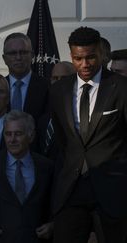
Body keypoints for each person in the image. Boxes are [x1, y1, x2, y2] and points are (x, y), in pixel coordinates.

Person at [50, 27, 127, 243]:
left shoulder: (121, 87)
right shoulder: (58, 91)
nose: (85, 64)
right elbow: (63, 140)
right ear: (71, 56)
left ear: (101, 53)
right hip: (71, 190)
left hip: (113, 190)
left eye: (91, 57)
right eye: (78, 58)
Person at [0, 110, 54, 243]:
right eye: (8, 134)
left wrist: (53, 225)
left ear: (31, 136)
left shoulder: (47, 166)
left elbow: (55, 203)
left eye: (18, 134)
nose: (12, 140)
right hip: (0, 238)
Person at [2, 32, 50, 123]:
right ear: (4, 58)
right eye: (12, 53)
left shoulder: (47, 86)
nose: (18, 57)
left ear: (32, 55)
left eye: (23, 52)